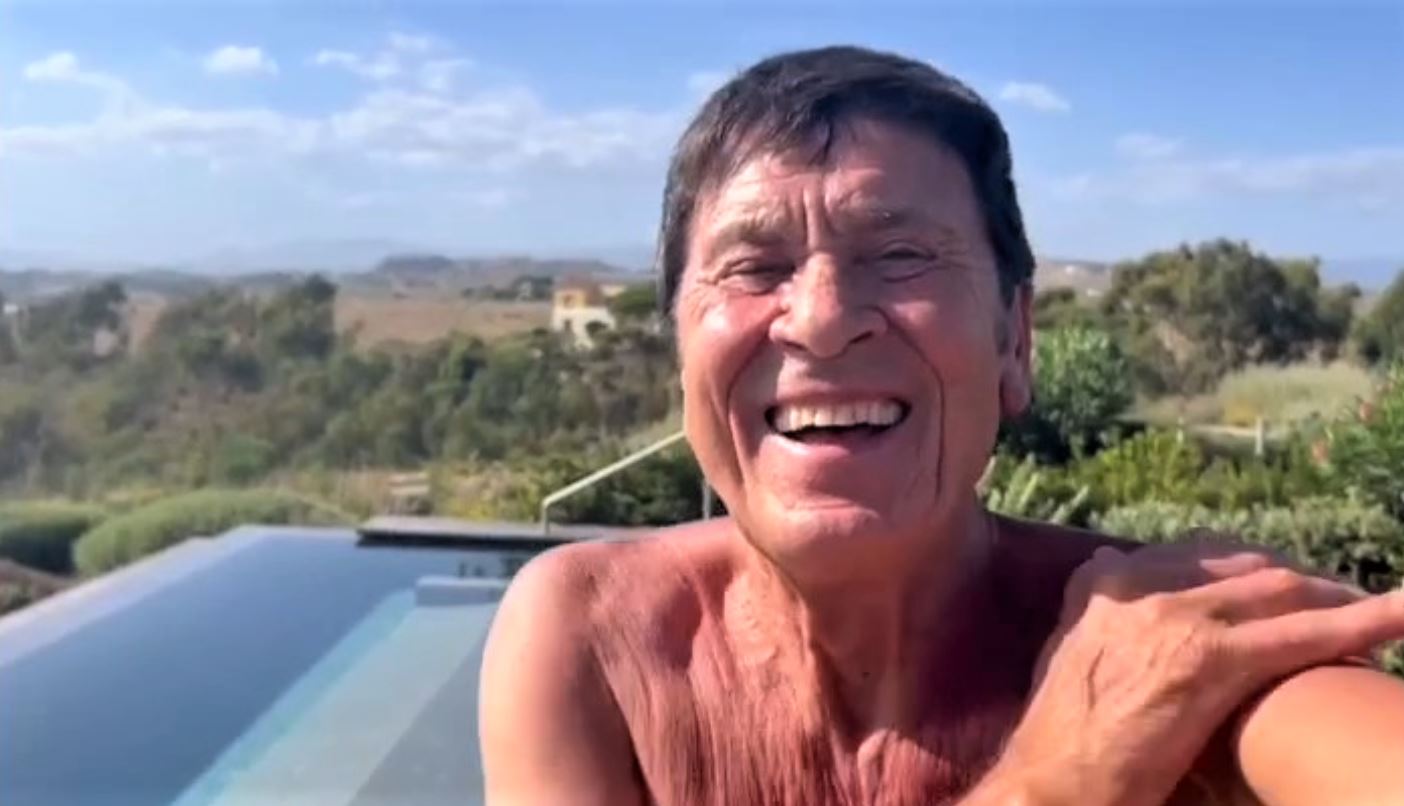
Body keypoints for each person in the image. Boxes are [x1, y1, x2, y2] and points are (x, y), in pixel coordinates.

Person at [479, 46, 1404, 805]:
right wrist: (1054, 784)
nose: (822, 320)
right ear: (681, 352)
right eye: (755, 267)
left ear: (1015, 341)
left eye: (901, 255)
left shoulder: (1162, 652)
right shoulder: (597, 636)